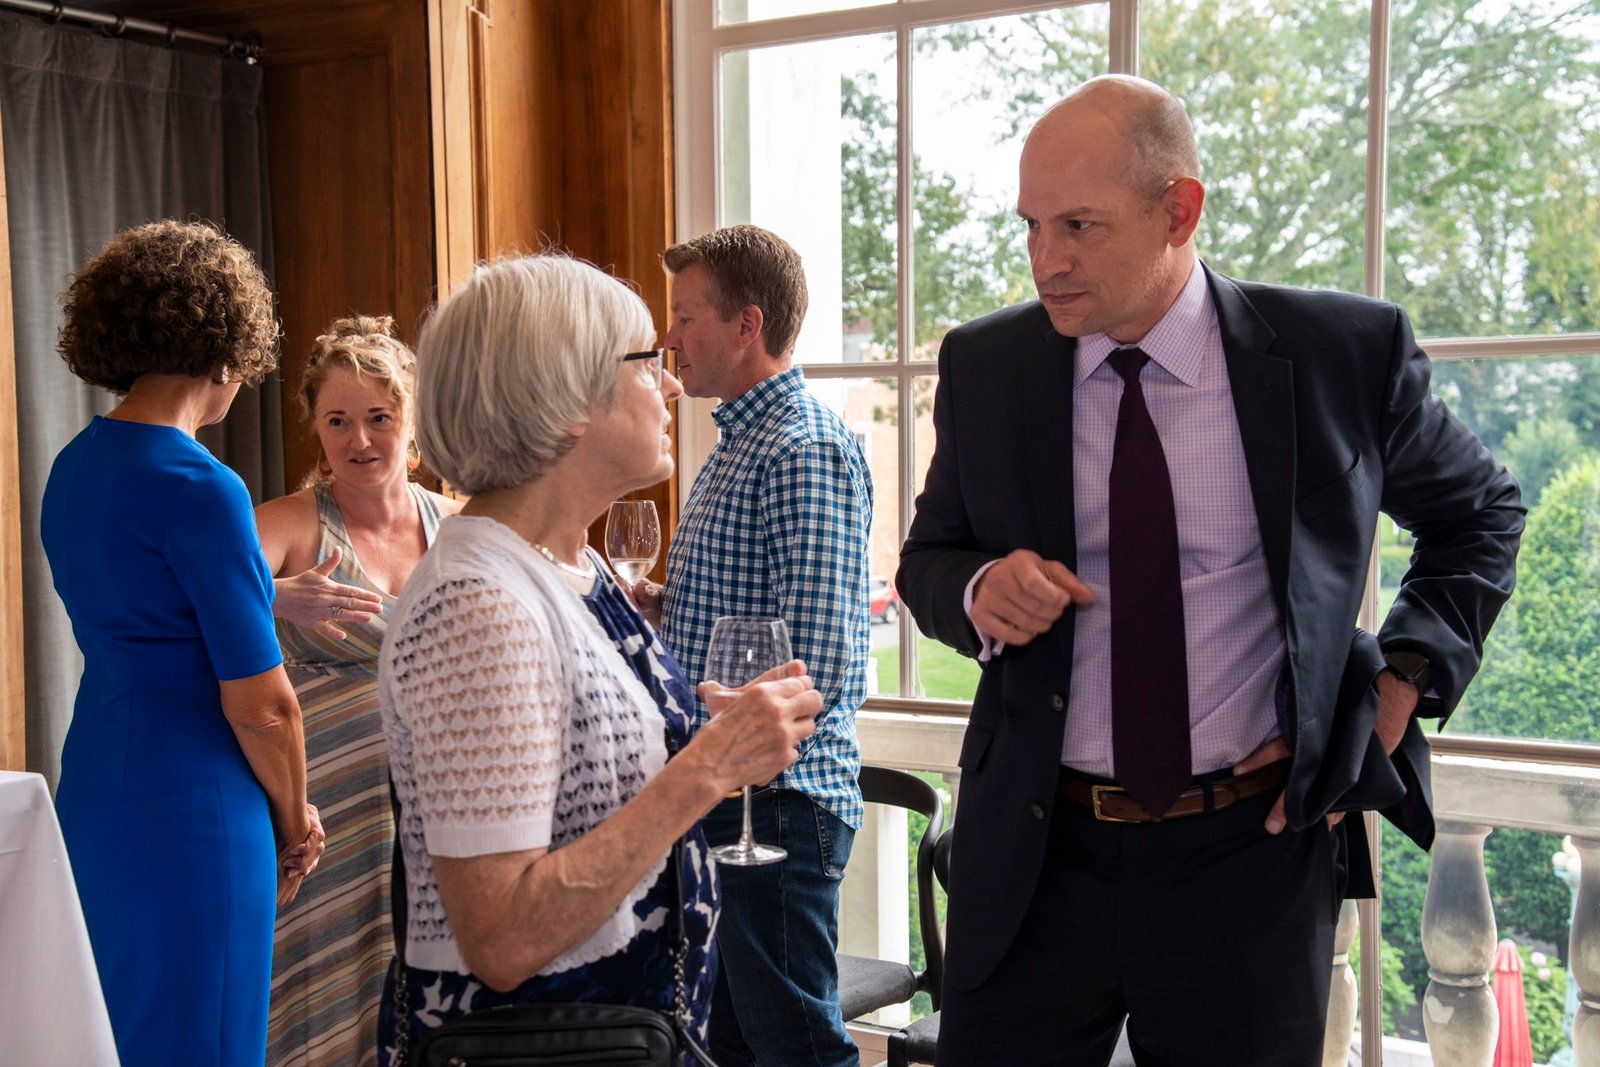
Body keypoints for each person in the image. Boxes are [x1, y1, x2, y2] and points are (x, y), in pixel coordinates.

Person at [896, 75, 1524, 1065]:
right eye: (1030, 226)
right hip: (1033, 855)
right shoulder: (987, 365)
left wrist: (1403, 679)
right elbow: (927, 559)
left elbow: (1480, 514)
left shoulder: (1339, 354)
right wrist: (978, 589)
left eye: (1078, 225)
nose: (1045, 260)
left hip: (1250, 859)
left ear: (1178, 210)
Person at [376, 254, 822, 1065]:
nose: (672, 384)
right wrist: (711, 766)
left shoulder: (568, 565)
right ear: (568, 401)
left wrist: (707, 733)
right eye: (647, 362)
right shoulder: (478, 607)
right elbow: (503, 936)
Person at [42, 219, 326, 1066]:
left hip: (98, 788)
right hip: (196, 811)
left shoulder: (73, 466)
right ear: (229, 350)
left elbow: (142, 611)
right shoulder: (203, 486)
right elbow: (265, 706)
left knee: (116, 1038)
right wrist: (295, 820)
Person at [640, 224, 872, 1067]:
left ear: (747, 325)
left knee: (797, 1050)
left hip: (774, 802)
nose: (670, 337)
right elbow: (743, 619)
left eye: (686, 316)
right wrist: (660, 605)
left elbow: (816, 659)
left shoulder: (801, 447)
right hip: (727, 789)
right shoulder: (738, 444)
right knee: (735, 1048)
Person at [256, 316, 462, 1067]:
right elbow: (192, 601)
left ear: (412, 419)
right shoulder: (287, 523)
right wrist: (275, 595)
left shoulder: (461, 523)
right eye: (338, 420)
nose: (360, 439)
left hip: (441, 813)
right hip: (325, 820)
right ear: (315, 426)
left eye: (379, 417)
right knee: (322, 996)